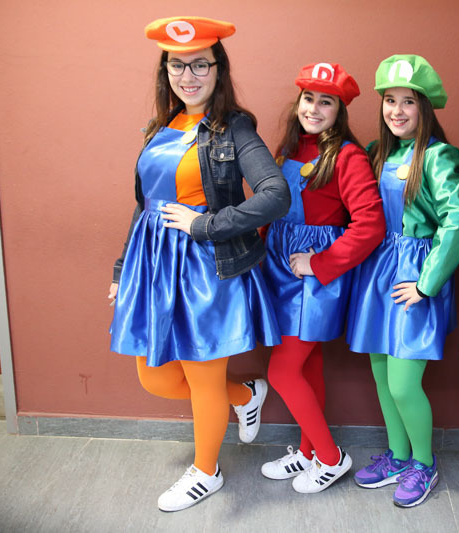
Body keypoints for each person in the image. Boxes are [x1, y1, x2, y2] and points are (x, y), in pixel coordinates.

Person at [108, 16, 289, 512]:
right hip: (153, 265)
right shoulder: (161, 126)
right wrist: (123, 270)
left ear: (218, 69)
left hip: (205, 269)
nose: (188, 76)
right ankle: (244, 396)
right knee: (156, 377)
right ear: (165, 71)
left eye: (200, 65)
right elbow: (144, 206)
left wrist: (206, 225)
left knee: (202, 378)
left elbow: (275, 195)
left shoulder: (235, 127)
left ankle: (206, 472)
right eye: (177, 66)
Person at [346, 54, 459, 508]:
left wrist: (426, 284)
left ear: (425, 108)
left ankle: (424, 463)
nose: (396, 111)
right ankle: (399, 457)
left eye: (408, 102)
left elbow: (457, 220)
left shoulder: (437, 156)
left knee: (403, 383)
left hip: (414, 277)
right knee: (382, 376)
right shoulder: (378, 153)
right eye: (389, 100)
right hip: (378, 272)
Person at [259, 62, 385, 493]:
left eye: (325, 102)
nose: (314, 108)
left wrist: (321, 263)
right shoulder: (287, 149)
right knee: (307, 366)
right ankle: (308, 451)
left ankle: (331, 458)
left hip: (313, 280)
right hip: (279, 269)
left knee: (282, 372)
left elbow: (370, 224)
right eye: (308, 98)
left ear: (339, 110)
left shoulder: (348, 156)